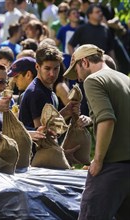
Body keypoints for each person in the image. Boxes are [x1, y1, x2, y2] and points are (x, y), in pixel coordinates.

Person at [63, 44, 130, 219]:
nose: (77, 78)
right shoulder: (124, 78)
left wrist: (98, 160)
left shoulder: (93, 80)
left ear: (84, 62)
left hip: (111, 166)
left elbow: (107, 120)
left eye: (76, 70)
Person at [19, 44, 79, 130]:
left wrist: (66, 112)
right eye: (47, 68)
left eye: (56, 68)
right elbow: (42, 132)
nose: (52, 74)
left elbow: (48, 124)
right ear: (37, 67)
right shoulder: (36, 93)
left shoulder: (46, 89)